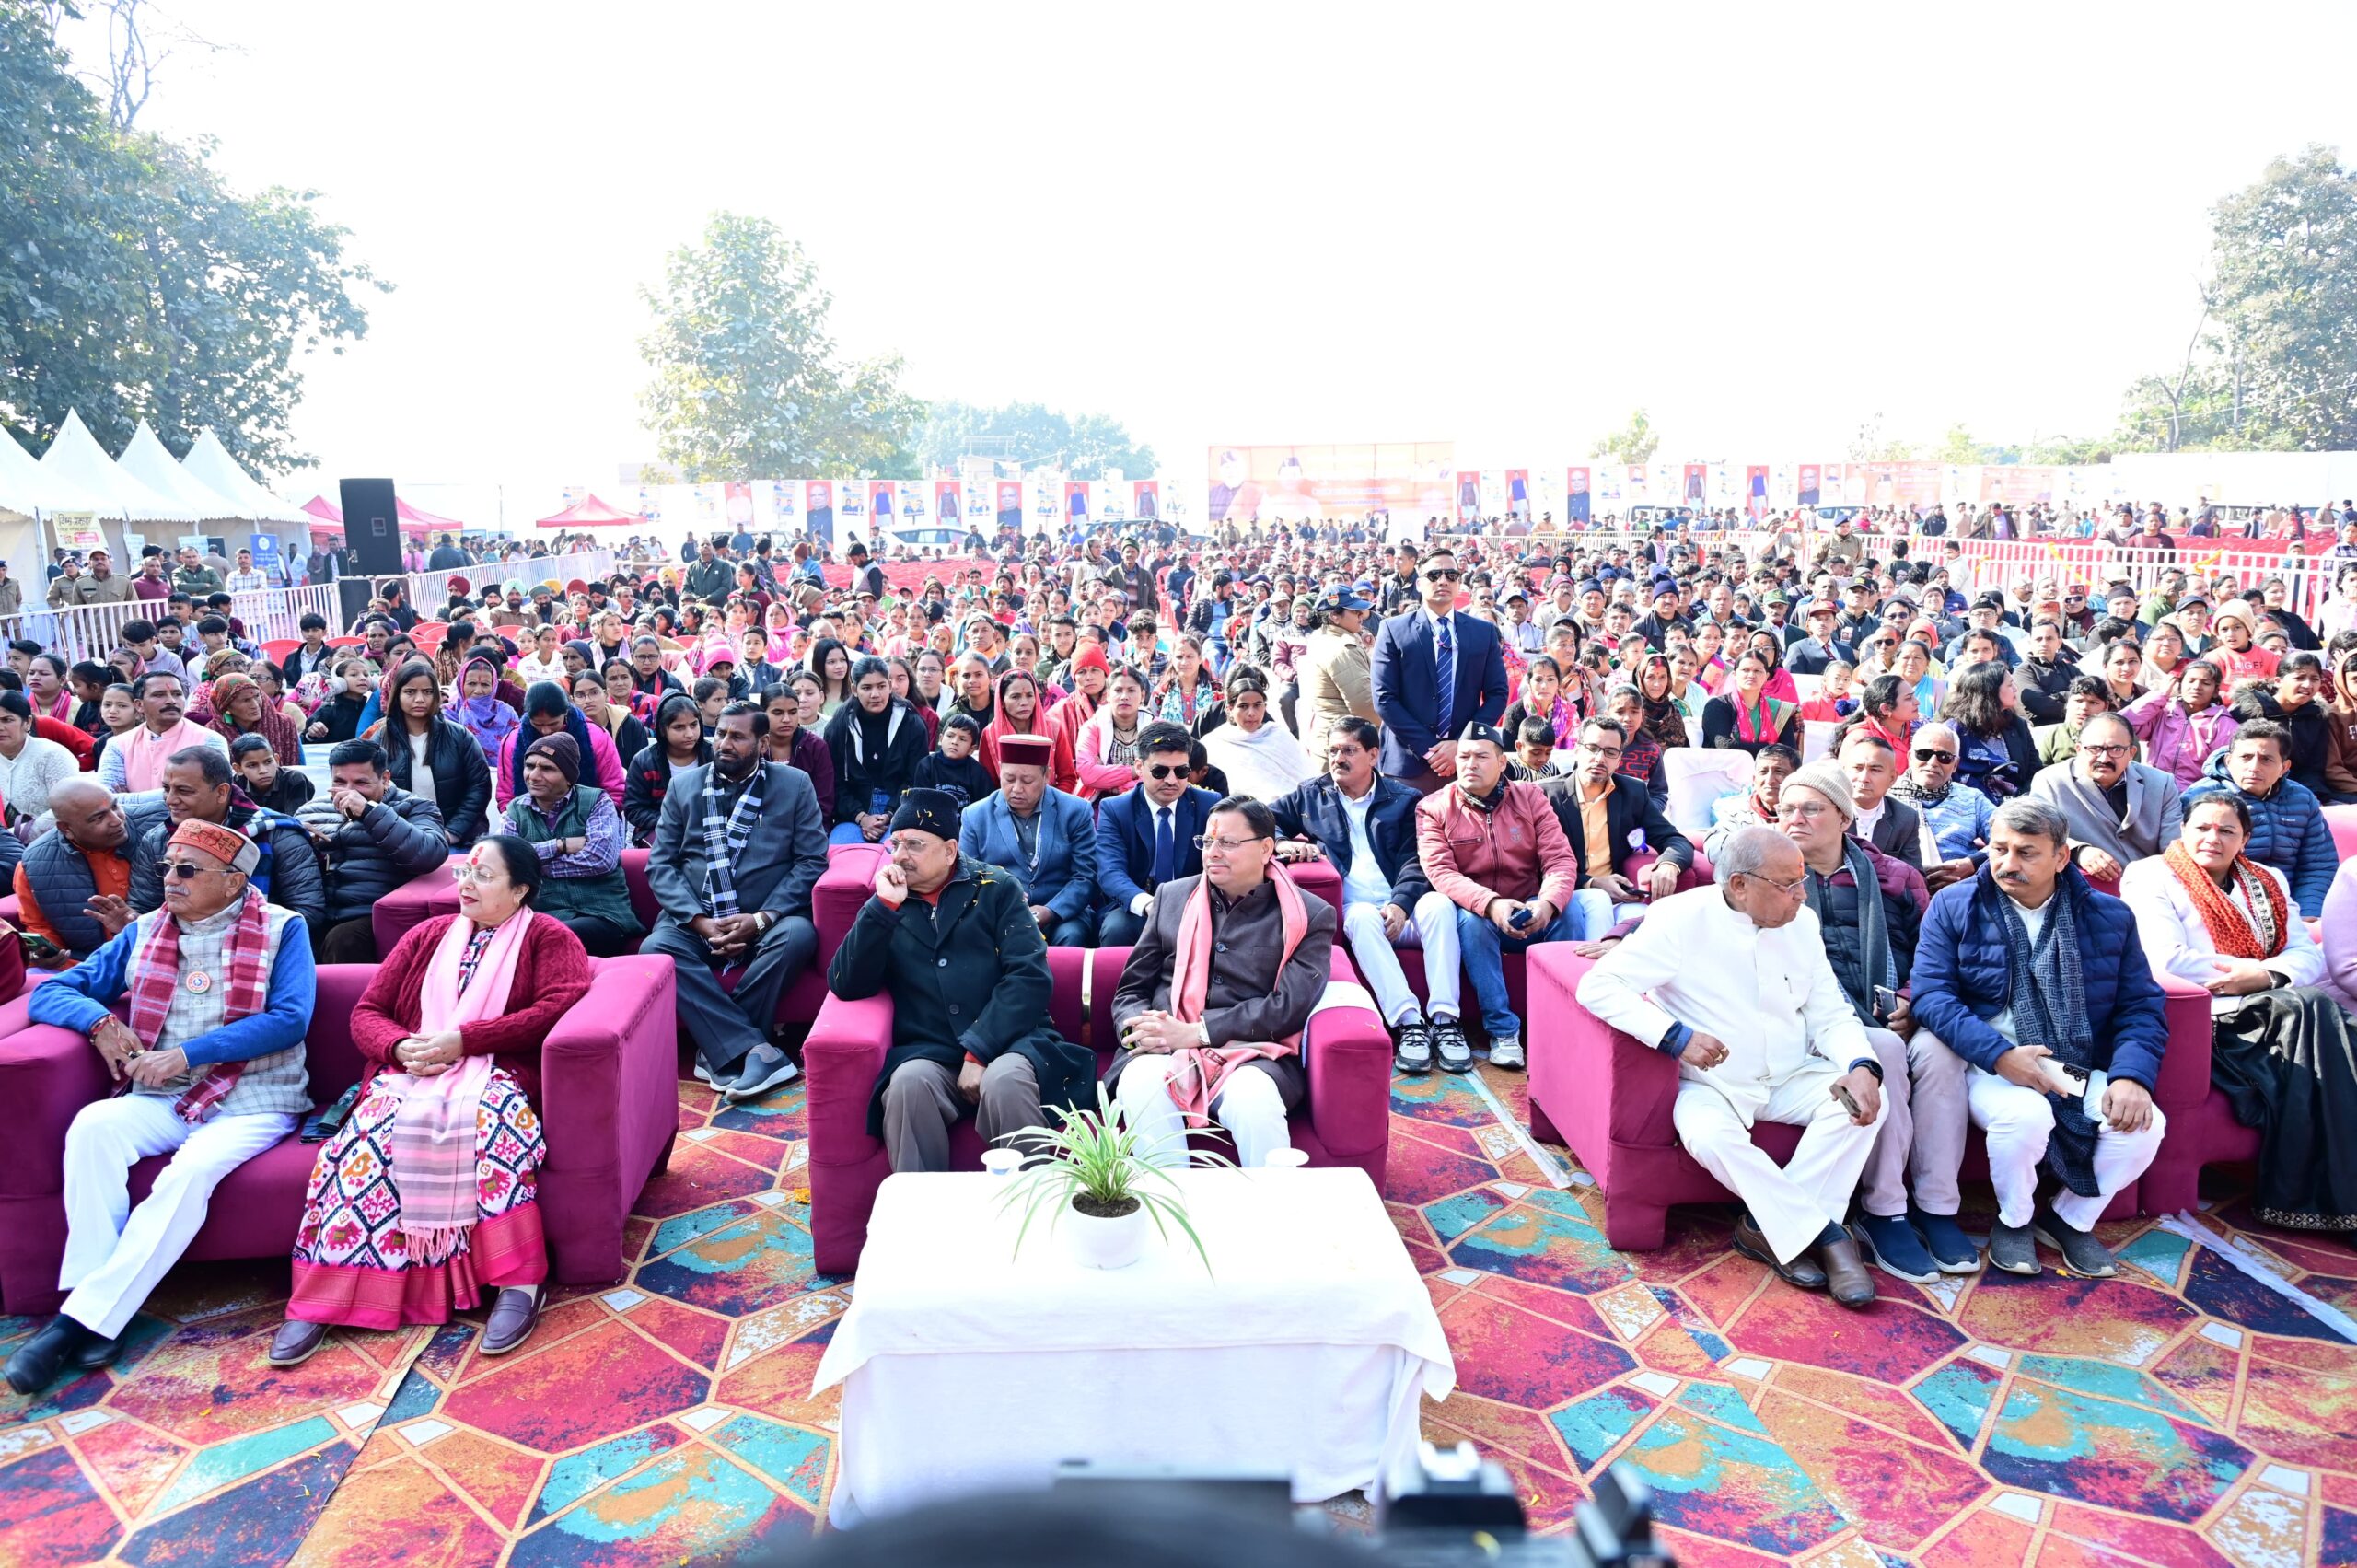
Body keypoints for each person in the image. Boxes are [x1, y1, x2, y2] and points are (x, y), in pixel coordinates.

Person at [5, 820, 316, 1395]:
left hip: (252, 1097)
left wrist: (188, 1053)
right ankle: (96, 1308)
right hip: (163, 1095)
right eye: (166, 867)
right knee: (93, 1128)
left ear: (233, 881)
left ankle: (74, 1324)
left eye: (187, 870)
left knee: (190, 1172)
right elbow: (54, 990)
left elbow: (290, 1019)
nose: (170, 879)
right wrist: (98, 1022)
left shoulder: (282, 927)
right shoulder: (145, 929)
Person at [268, 836, 589, 1364]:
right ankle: (326, 1294)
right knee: (363, 1144)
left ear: (520, 890)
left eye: (484, 875)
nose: (467, 884)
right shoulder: (427, 935)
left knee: (491, 1125)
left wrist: (465, 1041)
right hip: (409, 1071)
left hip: (496, 1071)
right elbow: (368, 1012)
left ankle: (518, 1281)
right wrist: (400, 1048)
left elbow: (556, 1007)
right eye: (465, 873)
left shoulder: (549, 938)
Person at [1577, 827, 1884, 1307]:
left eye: (1802, 881)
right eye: (1788, 885)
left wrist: (1862, 1065)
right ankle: (1829, 1237)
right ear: (1740, 884)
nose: (1802, 896)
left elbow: (1830, 1014)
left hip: (1791, 1073)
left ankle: (1767, 1229)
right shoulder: (1680, 918)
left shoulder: (1801, 924)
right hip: (1711, 1084)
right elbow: (1598, 987)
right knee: (1710, 1138)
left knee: (1866, 1102)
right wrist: (1675, 1037)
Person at [1909, 798, 2168, 1278]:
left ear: (2061, 857)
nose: (2008, 864)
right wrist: (2000, 1055)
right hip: (1986, 1062)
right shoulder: (1956, 904)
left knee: (2144, 1125)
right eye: (2000, 849)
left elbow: (2141, 1006)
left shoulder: (2110, 916)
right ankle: (2015, 1220)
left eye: (2027, 853)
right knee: (2025, 1116)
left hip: (2071, 1062)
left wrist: (2132, 1077)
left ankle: (2069, 1219)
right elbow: (1931, 997)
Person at [1773, 761, 1976, 1280]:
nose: (1795, 818)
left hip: (1899, 1012)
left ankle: (1937, 1206)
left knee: (1942, 1052)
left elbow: (1936, 954)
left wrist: (1911, 1000)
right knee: (1880, 1050)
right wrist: (1622, 935)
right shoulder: (1769, 874)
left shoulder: (1895, 876)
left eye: (1811, 808)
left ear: (1844, 818)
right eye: (1787, 808)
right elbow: (1700, 912)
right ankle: (1885, 1210)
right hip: (1816, 1022)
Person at [2122, 796, 2357, 1236]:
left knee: (2328, 1025)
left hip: (2279, 1007)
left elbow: (2306, 954)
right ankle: (2327, 1200)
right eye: (2202, 828)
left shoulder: (2268, 879)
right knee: (2314, 1012)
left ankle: (2332, 1198)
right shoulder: (2151, 874)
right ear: (2183, 831)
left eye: (2226, 830)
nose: (2212, 838)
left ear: (2244, 839)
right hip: (2209, 1015)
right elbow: (2166, 957)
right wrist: (2247, 975)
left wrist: (2265, 976)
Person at [831, 788, 1097, 1173]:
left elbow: (1029, 976)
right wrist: (882, 907)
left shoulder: (996, 887)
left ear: (950, 850)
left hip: (1010, 1042)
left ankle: (1034, 1199)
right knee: (907, 1084)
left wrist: (978, 1052)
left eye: (915, 845)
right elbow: (845, 984)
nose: (901, 855)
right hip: (930, 1048)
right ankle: (921, 1206)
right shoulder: (889, 900)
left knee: (1005, 1082)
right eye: (896, 843)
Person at [1107, 796, 1341, 1169]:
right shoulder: (1173, 897)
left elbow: (1288, 1007)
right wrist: (1140, 1031)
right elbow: (1132, 988)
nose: (1212, 853)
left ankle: (1273, 1203)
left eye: (1228, 843)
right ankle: (1171, 1202)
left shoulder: (1308, 915)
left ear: (1266, 848)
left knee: (1254, 1098)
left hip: (1254, 1053)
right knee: (1139, 1083)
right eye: (1207, 841)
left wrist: (1197, 1033)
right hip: (1165, 1049)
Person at [641, 703, 827, 1101]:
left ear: (762, 743)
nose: (724, 743)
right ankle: (758, 1050)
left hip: (767, 917)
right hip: (696, 917)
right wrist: (699, 922)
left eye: (737, 736)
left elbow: (812, 861)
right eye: (721, 733)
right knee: (656, 949)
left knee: (798, 936)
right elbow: (660, 865)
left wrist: (760, 919)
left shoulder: (794, 784)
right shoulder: (685, 787)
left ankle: (719, 1049)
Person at [1268, 716, 1464, 1074]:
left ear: (1373, 755)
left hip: (1406, 908)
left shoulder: (1404, 800)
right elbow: (1265, 819)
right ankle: (1409, 1023)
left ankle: (1446, 1021)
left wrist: (1401, 904)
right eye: (1333, 750)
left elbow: (1417, 859)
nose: (1338, 758)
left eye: (1348, 750)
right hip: (1358, 912)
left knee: (1439, 905)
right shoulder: (1312, 795)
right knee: (1358, 916)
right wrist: (1282, 843)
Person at [1416, 722, 1580, 1071]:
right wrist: (1491, 905)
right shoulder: (1434, 807)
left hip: (1530, 907)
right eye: (1463, 757)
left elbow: (1560, 859)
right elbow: (1441, 872)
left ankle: (1562, 1022)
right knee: (1470, 921)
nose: (1470, 764)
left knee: (1570, 909)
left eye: (1481, 757)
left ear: (1502, 762)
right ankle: (1503, 1031)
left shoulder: (1530, 797)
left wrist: (1547, 903)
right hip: (1481, 914)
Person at [128, 745, 325, 932]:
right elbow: (144, 908)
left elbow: (307, 912)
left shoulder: (278, 835)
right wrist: (131, 920)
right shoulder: (157, 839)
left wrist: (232, 939)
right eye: (166, 789)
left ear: (222, 792)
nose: (170, 799)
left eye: (184, 791)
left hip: (264, 947)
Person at [1369, 545, 1509, 791]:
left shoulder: (1483, 632)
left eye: (1451, 575)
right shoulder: (1393, 629)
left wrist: (1461, 743)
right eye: (1434, 575)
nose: (1443, 581)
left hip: (1465, 763)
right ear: (1419, 583)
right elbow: (1384, 698)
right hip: (1407, 762)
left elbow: (1497, 694)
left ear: (1459, 583)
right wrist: (1430, 748)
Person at [1535, 716, 1688, 939]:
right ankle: (1596, 962)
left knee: (1645, 919)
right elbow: (1530, 864)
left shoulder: (1633, 793)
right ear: (1577, 750)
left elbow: (1675, 839)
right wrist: (1592, 883)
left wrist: (1668, 865)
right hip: (1568, 892)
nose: (1600, 758)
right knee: (1598, 900)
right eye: (1592, 748)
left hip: (1617, 896)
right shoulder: (1544, 795)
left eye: (1610, 752)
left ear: (1619, 759)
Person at [307, 738, 454, 962]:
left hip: (371, 913)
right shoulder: (311, 810)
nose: (349, 792)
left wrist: (370, 812)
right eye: (339, 782)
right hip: (318, 910)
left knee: (343, 939)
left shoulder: (415, 806)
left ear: (385, 778)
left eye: (361, 783)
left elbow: (429, 853)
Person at [504, 732, 643, 957]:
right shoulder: (514, 811)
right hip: (544, 914)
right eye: (529, 766)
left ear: (568, 777)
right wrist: (558, 845)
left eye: (547, 769)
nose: (534, 776)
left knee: (553, 935)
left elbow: (600, 860)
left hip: (602, 914)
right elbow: (506, 862)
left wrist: (534, 867)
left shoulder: (598, 802)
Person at [958, 735, 1097, 947]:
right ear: (1000, 772)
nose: (1016, 788)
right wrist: (1002, 903)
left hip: (1063, 912)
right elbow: (968, 877)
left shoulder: (1075, 811)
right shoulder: (975, 816)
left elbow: (1086, 876)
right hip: (1000, 911)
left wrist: (1050, 911)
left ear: (1047, 776)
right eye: (1009, 779)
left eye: (1027, 781)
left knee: (1071, 936)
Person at [1094, 721, 1219, 948]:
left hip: (1194, 903)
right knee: (1117, 929)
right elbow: (1111, 872)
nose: (1171, 780)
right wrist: (1149, 905)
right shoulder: (1116, 809)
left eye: (1181, 771)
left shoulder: (1208, 805)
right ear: (1139, 767)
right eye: (1160, 771)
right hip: (1137, 906)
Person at [2027, 710, 2184, 882]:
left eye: (2116, 749)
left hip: (2153, 882)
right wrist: (2079, 851)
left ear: (2131, 753)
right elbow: (2037, 833)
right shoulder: (2051, 781)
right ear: (2078, 749)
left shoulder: (2161, 783)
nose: (2104, 758)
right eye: (2094, 749)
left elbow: (2174, 845)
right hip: (2088, 885)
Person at [14, 776, 137, 962]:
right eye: (98, 817)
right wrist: (49, 956)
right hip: (88, 964)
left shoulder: (155, 829)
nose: (117, 820)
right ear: (66, 829)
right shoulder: (34, 866)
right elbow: (40, 928)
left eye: (115, 807)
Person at [376, 658, 494, 848]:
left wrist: (452, 833)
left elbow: (479, 787)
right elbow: (371, 792)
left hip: (458, 840)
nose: (420, 699)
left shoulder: (459, 736)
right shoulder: (380, 740)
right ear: (397, 695)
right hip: (398, 842)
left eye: (428, 692)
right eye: (410, 692)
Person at [823, 656, 930, 844]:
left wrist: (889, 814)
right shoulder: (839, 727)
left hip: (900, 810)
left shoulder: (911, 723)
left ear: (889, 685)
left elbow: (915, 779)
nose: (875, 694)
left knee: (894, 855)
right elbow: (834, 783)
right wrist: (862, 817)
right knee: (842, 855)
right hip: (852, 814)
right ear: (854, 689)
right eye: (866, 688)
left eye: (881, 686)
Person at [1893, 721, 1997, 891]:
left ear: (1955, 764)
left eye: (1944, 757)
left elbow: (2008, 839)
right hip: (1899, 892)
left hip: (1962, 891)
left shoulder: (1972, 799)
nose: (1933, 762)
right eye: (1924, 754)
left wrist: (1972, 863)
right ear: (1910, 757)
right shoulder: (1887, 796)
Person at [495, 681, 626, 814]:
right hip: (527, 820)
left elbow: (614, 791)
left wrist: (599, 819)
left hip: (590, 818)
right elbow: (506, 797)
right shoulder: (512, 742)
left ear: (566, 713)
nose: (546, 731)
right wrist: (518, 820)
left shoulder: (595, 736)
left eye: (553, 724)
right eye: (538, 724)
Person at [96, 671, 228, 797]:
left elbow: (211, 796)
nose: (171, 701)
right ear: (139, 705)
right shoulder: (118, 744)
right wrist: (182, 793)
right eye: (159, 695)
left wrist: (129, 799)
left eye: (177, 694)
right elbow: (108, 798)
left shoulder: (209, 740)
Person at [1294, 587, 1377, 770]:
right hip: (1347, 747)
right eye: (1355, 612)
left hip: (1331, 739)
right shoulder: (1342, 648)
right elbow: (1365, 705)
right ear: (1335, 616)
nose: (1361, 616)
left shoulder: (1321, 637)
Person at [1200, 673, 1313, 802]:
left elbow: (1308, 780)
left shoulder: (1279, 735)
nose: (1251, 713)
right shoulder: (1214, 743)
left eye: (1257, 705)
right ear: (1230, 709)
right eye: (1243, 706)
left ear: (1265, 707)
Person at [1838, 727, 1937, 870]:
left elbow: (1913, 874)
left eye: (1875, 770)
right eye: (1858, 768)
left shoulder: (1906, 818)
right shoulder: (1827, 810)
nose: (1864, 778)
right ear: (1844, 771)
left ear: (1892, 778)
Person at [624, 691, 709, 846]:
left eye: (694, 725)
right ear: (663, 730)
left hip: (708, 827)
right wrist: (671, 822)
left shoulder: (713, 756)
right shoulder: (644, 762)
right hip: (660, 829)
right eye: (679, 727)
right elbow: (634, 809)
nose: (689, 734)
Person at [1702, 743, 1801, 862]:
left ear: (1796, 778)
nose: (1769, 780)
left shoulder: (1808, 812)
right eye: (1763, 772)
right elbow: (1713, 850)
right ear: (1754, 780)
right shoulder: (1737, 810)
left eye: (1779, 772)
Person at [0, 689, 80, 830]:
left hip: (53, 838)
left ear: (28, 722)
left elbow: (68, 807)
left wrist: (13, 835)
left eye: (7, 720)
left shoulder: (52, 755)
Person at [1700, 650, 1799, 753]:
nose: (1751, 675)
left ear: (1766, 677)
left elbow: (1790, 751)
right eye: (1745, 670)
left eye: (1757, 671)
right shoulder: (1718, 706)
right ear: (1734, 675)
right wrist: (1772, 748)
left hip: (1770, 764)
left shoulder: (1778, 710)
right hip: (1725, 763)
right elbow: (1724, 745)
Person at [230, 732, 315, 817]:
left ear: (276, 760)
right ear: (238, 769)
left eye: (268, 762)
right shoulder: (235, 785)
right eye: (252, 765)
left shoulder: (294, 780)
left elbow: (296, 820)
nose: (263, 771)